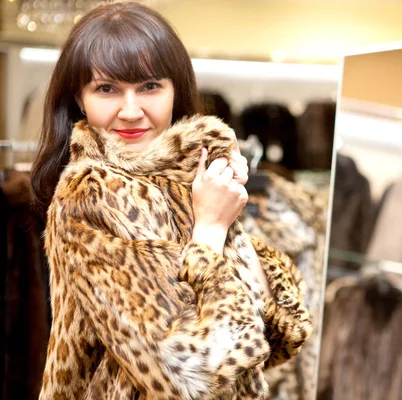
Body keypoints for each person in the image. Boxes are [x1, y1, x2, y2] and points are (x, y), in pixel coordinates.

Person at [31, 2, 312, 399]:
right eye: (107, 89)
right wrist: (212, 230)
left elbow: (271, 341)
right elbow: (183, 378)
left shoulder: (190, 182)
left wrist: (228, 212)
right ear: (79, 98)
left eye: (149, 86)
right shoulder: (90, 198)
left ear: (175, 89)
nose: (131, 111)